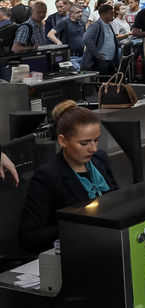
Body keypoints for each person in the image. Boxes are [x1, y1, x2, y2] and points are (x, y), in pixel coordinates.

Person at [20, 100, 118, 253]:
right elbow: (29, 237)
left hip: (108, 243)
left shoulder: (100, 160)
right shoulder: (48, 176)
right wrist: (74, 226)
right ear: (63, 140)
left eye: (96, 140)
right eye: (84, 143)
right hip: (76, 251)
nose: (93, 148)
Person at [80, 4, 119, 75]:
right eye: (110, 13)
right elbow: (86, 39)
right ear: (103, 14)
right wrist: (97, 54)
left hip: (110, 60)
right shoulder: (96, 25)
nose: (113, 15)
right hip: (101, 61)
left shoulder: (109, 25)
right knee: (102, 82)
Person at [49, 4, 87, 69]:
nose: (80, 14)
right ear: (71, 14)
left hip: (82, 55)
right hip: (70, 57)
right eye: (78, 12)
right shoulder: (64, 22)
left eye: (81, 12)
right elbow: (50, 34)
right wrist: (58, 42)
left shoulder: (82, 22)